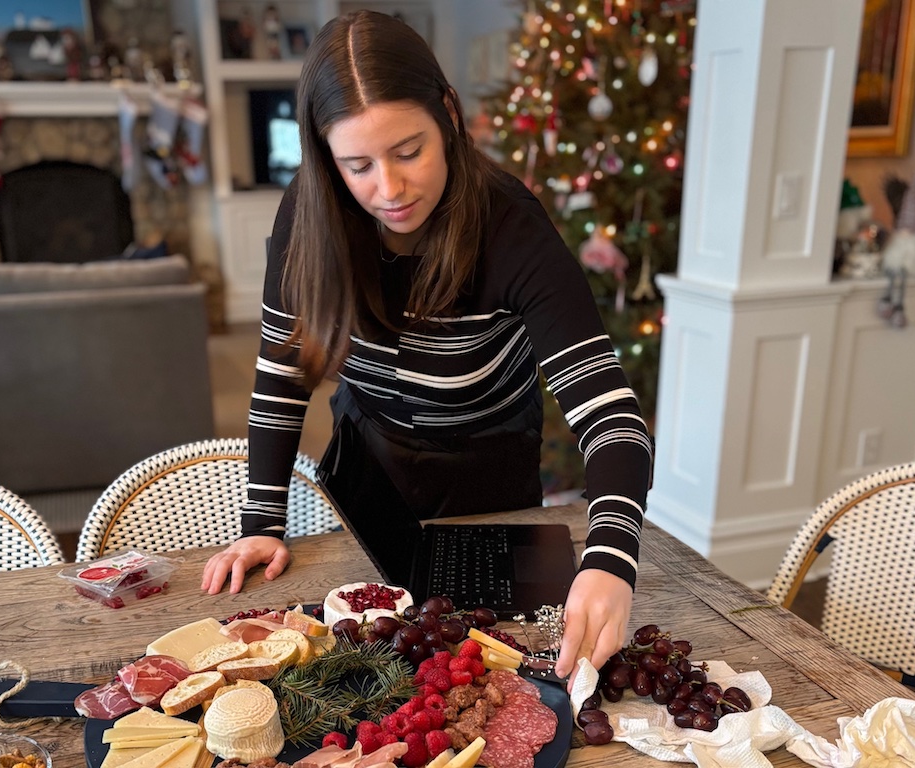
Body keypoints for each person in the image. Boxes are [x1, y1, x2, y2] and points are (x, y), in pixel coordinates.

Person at [201, 10, 653, 689]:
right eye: (357, 165)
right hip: (369, 473)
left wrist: (612, 558)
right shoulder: (309, 212)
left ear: (447, 113)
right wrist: (262, 521)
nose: (389, 189)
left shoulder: (511, 229)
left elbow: (611, 417)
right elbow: (282, 371)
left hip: (488, 476)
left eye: (408, 151)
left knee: (498, 681)